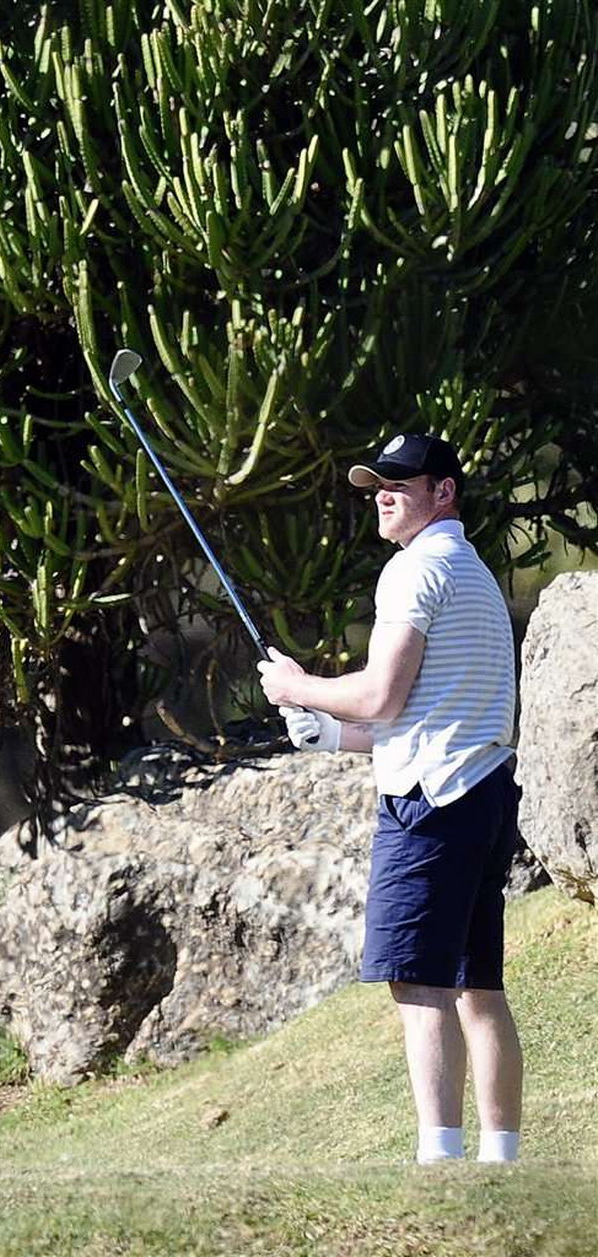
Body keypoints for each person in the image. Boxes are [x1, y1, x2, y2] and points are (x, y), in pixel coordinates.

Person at [257, 432, 523, 1165]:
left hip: (430, 806)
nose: (384, 491)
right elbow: (416, 714)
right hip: (483, 793)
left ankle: (438, 1158)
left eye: (402, 482)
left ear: (444, 493)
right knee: (476, 984)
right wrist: (331, 735)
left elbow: (379, 693)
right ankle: (502, 1158)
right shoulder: (472, 572)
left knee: (420, 982)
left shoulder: (414, 572)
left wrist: (297, 686)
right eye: (379, 480)